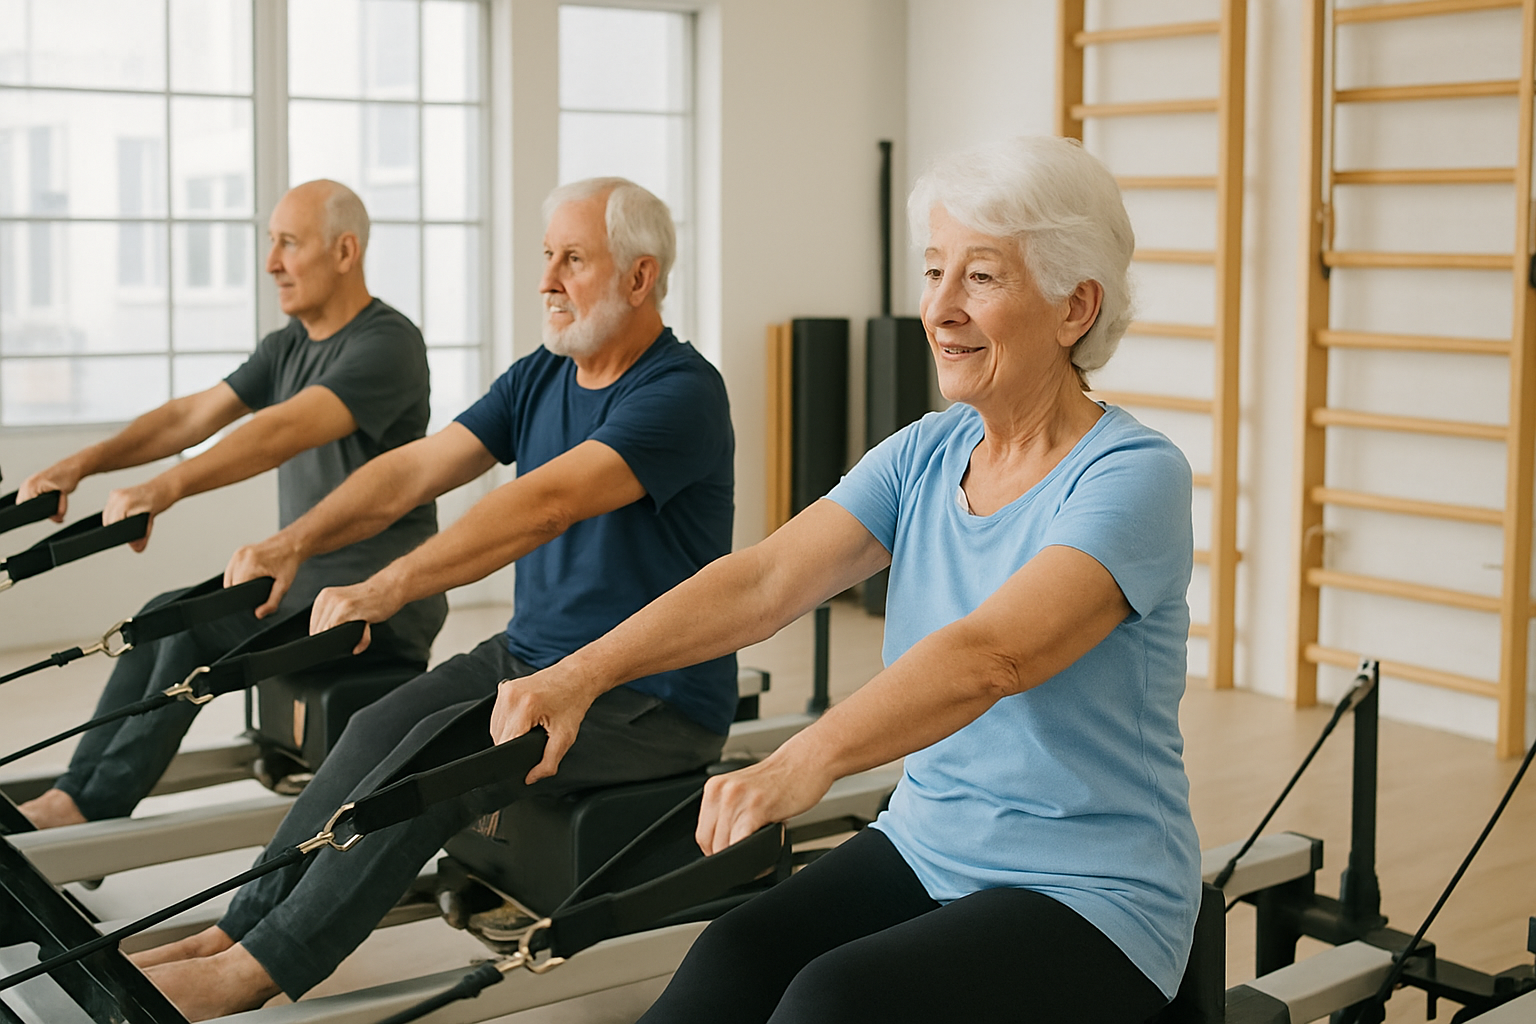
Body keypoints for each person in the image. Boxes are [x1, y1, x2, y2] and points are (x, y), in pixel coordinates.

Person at [490, 137, 1201, 1024]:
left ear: (1073, 307)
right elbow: (763, 582)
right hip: (928, 844)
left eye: (980, 278)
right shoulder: (925, 453)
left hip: (1091, 892)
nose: (938, 309)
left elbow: (994, 656)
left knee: (835, 1004)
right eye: (935, 271)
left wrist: (803, 761)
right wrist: (577, 676)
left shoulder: (1132, 475)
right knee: (734, 954)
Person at [132, 177, 737, 1022]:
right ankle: (236, 931)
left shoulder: (681, 393)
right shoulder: (540, 377)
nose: (546, 280)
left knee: (435, 759)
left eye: (572, 260)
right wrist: (294, 540)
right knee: (377, 729)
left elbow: (543, 505)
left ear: (640, 277)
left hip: (644, 692)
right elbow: (417, 468)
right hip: (532, 658)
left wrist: (390, 585)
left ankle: (254, 972)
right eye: (545, 258)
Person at [17, 180, 446, 830]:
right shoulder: (287, 346)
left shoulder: (387, 345)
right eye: (270, 242)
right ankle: (73, 796)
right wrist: (83, 463)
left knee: (190, 628)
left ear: (345, 251)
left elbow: (281, 431)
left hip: (375, 604)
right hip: (300, 589)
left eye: (289, 243)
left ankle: (86, 813)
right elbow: (191, 415)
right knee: (161, 614)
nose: (270, 261)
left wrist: (167, 487)